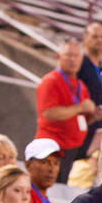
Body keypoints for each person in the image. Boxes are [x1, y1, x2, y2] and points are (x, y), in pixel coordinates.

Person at [35, 37, 95, 184]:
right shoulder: (50, 81)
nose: (72, 60)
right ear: (58, 57)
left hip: (72, 149)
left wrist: (95, 114)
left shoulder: (81, 85)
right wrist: (80, 107)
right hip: (52, 148)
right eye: (69, 55)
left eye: (76, 56)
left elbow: (82, 119)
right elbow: (48, 113)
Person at [74, 22, 102, 161]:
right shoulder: (80, 63)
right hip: (83, 123)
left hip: (100, 123)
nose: (99, 40)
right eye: (95, 36)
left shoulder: (101, 67)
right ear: (84, 39)